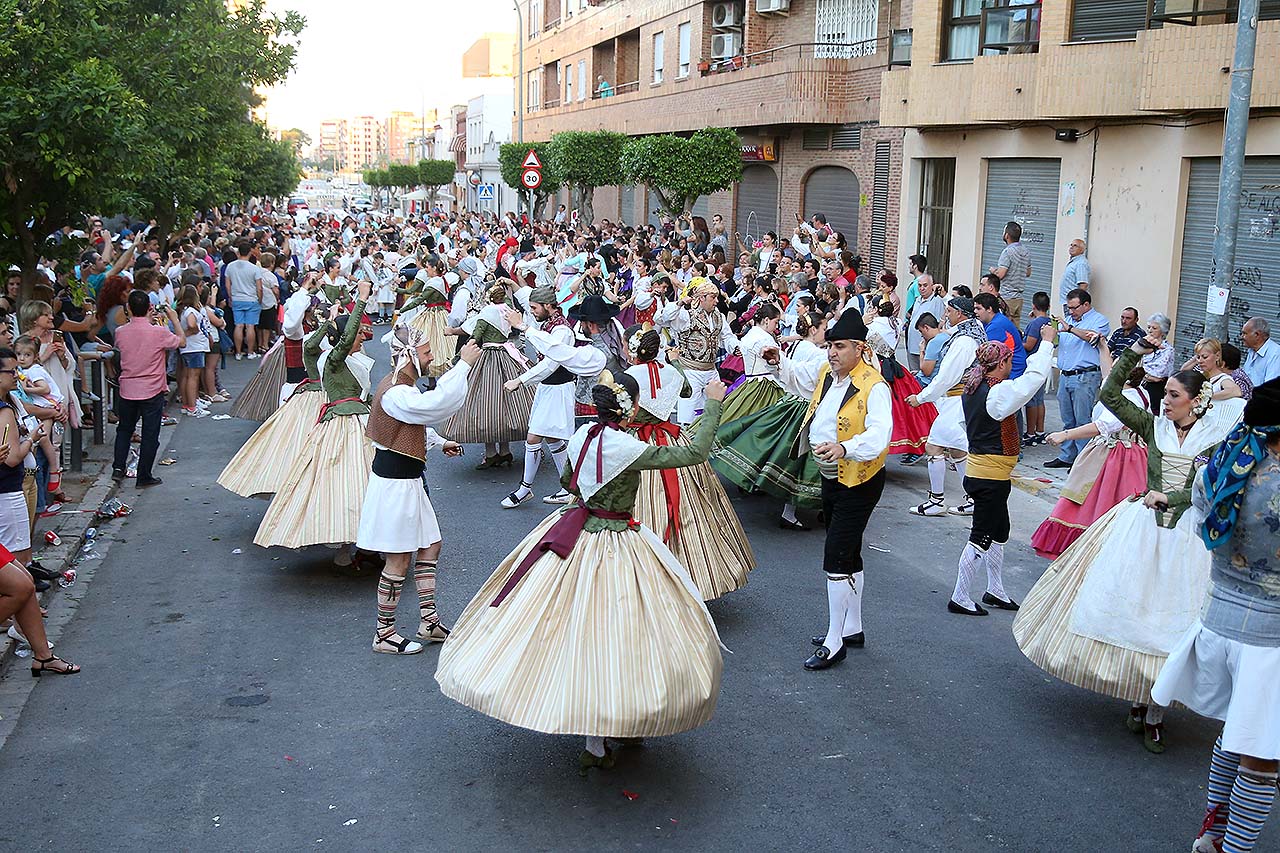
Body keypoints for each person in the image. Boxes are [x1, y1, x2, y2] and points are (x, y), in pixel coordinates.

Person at [435, 374, 728, 772]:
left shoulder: (583, 434)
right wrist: (712, 403)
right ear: (631, 409)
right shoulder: (628, 446)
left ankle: (596, 739)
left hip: (577, 531)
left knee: (578, 630)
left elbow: (564, 479)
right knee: (623, 633)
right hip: (618, 540)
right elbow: (694, 453)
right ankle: (621, 722)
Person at [1014, 337, 1246, 754]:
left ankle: (1155, 712)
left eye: (1174, 395)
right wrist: (1135, 352)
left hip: (1185, 537)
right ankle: (1140, 702)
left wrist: (1172, 498)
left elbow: (1206, 486)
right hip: (1141, 529)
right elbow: (1108, 393)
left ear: (1196, 402)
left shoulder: (1215, 437)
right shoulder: (1152, 425)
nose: (1166, 401)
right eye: (1166, 394)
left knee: (1173, 623)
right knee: (1133, 612)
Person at [1153, 380, 1280, 853]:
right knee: (1262, 754)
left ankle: (1212, 833)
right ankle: (1233, 847)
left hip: (1220, 622)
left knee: (1236, 732)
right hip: (1269, 638)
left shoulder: (1223, 464)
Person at [758, 310, 891, 670]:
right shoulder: (827, 374)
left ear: (860, 349)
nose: (832, 352)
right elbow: (801, 383)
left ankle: (835, 642)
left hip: (859, 479)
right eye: (830, 345)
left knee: (836, 557)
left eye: (840, 346)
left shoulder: (874, 386)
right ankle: (852, 627)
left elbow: (880, 435)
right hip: (832, 474)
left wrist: (846, 448)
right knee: (848, 551)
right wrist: (778, 363)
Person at [358, 326, 477, 655]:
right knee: (398, 560)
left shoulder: (403, 387)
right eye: (425, 353)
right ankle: (383, 634)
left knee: (430, 546)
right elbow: (432, 406)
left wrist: (440, 443)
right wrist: (463, 365)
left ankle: (428, 620)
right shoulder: (397, 392)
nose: (431, 357)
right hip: (395, 486)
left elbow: (416, 422)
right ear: (409, 356)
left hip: (407, 482)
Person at [623, 326, 755, 598]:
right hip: (673, 440)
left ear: (632, 350)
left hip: (637, 443)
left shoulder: (626, 378)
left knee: (639, 507)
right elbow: (684, 391)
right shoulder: (671, 372)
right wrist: (673, 362)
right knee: (691, 508)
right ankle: (696, 572)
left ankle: (645, 583)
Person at [253, 282, 377, 565]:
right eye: (358, 334)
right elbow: (326, 343)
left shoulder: (355, 360)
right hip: (339, 428)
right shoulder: (331, 359)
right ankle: (344, 547)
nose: (362, 338)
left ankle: (367, 544)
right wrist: (360, 301)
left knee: (364, 483)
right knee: (340, 483)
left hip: (359, 424)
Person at [948, 332, 1057, 615]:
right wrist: (1046, 344)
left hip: (987, 473)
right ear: (1001, 364)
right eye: (1008, 360)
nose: (1011, 365)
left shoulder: (975, 387)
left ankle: (995, 590)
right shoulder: (995, 392)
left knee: (999, 531)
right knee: (981, 535)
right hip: (988, 476)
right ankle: (960, 596)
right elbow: (1031, 382)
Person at [1030, 348, 1150, 561]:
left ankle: (1096, 549)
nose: (1110, 368)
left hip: (1117, 456)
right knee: (1089, 497)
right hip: (1115, 451)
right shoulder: (1127, 389)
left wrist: (1065, 435)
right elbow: (1106, 372)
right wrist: (1103, 346)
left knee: (1102, 501)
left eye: (1116, 367)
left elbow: (1102, 426)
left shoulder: (1129, 398)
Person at [713, 313, 827, 528]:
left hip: (789, 398)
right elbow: (805, 377)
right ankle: (799, 509)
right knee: (798, 461)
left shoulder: (798, 347)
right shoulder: (816, 354)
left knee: (772, 446)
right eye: (824, 329)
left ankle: (814, 507)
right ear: (814, 330)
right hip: (803, 404)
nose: (826, 334)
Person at [500, 286, 606, 508]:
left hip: (558, 389)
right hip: (548, 389)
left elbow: (550, 364)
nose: (533, 312)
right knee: (553, 438)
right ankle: (568, 488)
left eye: (535, 308)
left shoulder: (562, 331)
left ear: (549, 306)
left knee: (533, 437)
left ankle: (524, 489)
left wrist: (520, 381)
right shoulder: (549, 323)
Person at [217, 315, 329, 498]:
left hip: (313, 397)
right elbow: (293, 322)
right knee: (291, 442)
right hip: (298, 394)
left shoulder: (308, 334)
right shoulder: (298, 333)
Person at [906, 298, 987, 517]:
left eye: (949, 311)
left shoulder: (964, 341)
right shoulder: (972, 333)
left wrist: (921, 398)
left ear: (960, 314)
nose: (946, 315)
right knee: (959, 450)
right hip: (961, 401)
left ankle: (936, 500)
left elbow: (946, 377)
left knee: (934, 447)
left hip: (955, 401)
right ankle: (973, 499)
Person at [440, 282, 535, 468]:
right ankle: (505, 450)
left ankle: (491, 453)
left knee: (487, 403)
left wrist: (456, 359)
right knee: (508, 402)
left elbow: (474, 339)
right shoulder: (507, 311)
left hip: (487, 358)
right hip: (508, 354)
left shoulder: (485, 316)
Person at [112, 291, 185, 487]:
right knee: (150, 433)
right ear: (150, 308)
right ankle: (144, 475)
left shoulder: (120, 332)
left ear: (128, 309)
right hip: (152, 388)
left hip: (128, 387)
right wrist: (174, 319)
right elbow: (181, 341)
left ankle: (118, 467)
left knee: (124, 430)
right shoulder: (159, 332)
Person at [658, 281, 740, 425]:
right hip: (690, 372)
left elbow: (727, 336)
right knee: (688, 415)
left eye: (716, 297)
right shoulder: (686, 316)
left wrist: (735, 347)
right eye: (712, 297)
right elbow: (663, 317)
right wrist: (679, 303)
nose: (716, 301)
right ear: (701, 298)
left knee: (714, 411)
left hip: (711, 370)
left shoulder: (718, 316)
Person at [1047, 288, 1110, 469]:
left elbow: (1092, 338)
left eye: (1074, 308)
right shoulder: (1067, 320)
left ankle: (1083, 461)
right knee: (1068, 419)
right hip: (1066, 375)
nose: (1071, 312)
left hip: (1085, 375)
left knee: (1083, 420)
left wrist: (1071, 329)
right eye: (1068, 308)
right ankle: (1067, 456)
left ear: (1086, 305)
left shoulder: (1099, 320)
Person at [224, 241, 268, 360]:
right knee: (250, 326)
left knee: (238, 325)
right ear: (250, 252)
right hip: (252, 299)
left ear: (238, 252)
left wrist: (230, 297)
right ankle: (250, 352)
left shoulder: (230, 266)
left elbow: (228, 284)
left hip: (237, 298)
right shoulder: (254, 268)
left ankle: (238, 352)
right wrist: (259, 298)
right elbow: (259, 287)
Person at [1021, 292, 1053, 445]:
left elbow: (1029, 344)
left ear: (1033, 306)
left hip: (1033, 363)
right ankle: (1040, 430)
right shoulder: (1051, 322)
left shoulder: (1035, 324)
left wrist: (1016, 342)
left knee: (1031, 401)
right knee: (1040, 400)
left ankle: (1030, 432)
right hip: (1045, 363)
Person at [989, 220, 1030, 326]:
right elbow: (1028, 272)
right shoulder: (1025, 251)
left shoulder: (1007, 252)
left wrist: (993, 271)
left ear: (1007, 235)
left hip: (1007, 297)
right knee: (1015, 328)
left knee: (1005, 327)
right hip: (1019, 298)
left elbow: (1001, 275)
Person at [905, 271, 945, 374]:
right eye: (919, 285)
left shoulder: (937, 301)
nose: (922, 288)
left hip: (925, 347)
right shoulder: (918, 299)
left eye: (925, 285)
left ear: (932, 286)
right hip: (912, 345)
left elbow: (937, 326)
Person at [1141, 313, 1177, 415]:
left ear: (1162, 331)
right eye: (1148, 327)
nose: (1150, 330)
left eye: (1154, 328)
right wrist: (1145, 374)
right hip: (1141, 385)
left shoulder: (1167, 350)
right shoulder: (1143, 345)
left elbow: (1157, 375)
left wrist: (1141, 373)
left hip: (1156, 388)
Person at [1242, 317, 1280, 388]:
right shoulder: (1251, 350)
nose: (1242, 337)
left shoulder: (1275, 354)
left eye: (1245, 334)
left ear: (1257, 335)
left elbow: (1270, 387)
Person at [1058, 238, 1091, 310]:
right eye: (1071, 245)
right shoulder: (1075, 262)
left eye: (1075, 245)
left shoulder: (1080, 263)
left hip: (1074, 305)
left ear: (1082, 250)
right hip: (1069, 302)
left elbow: (1083, 285)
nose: (1071, 247)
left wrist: (1077, 305)